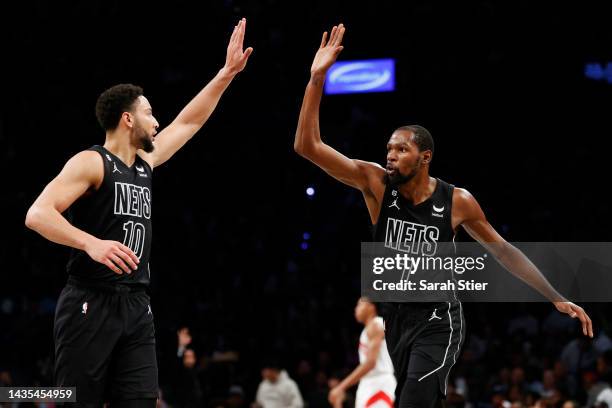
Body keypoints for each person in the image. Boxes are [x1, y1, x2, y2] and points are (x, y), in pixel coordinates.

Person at [293, 23, 593, 408]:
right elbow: (307, 146)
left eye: (401, 150)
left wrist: (555, 296)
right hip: (396, 320)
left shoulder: (458, 201)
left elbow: (503, 251)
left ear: (424, 157)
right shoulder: (375, 183)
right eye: (388, 149)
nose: (390, 155)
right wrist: (316, 79)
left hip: (439, 320)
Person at [24, 18, 253, 407]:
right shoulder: (92, 161)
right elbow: (38, 214)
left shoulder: (146, 161)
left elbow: (190, 120)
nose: (157, 120)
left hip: (136, 303)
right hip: (89, 300)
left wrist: (227, 73)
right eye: (149, 113)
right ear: (127, 119)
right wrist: (90, 243)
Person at [328, 297, 396, 408]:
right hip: (367, 383)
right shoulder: (366, 331)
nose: (356, 309)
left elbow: (370, 363)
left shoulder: (376, 325)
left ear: (371, 307)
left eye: (359, 305)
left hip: (379, 382)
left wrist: (341, 387)